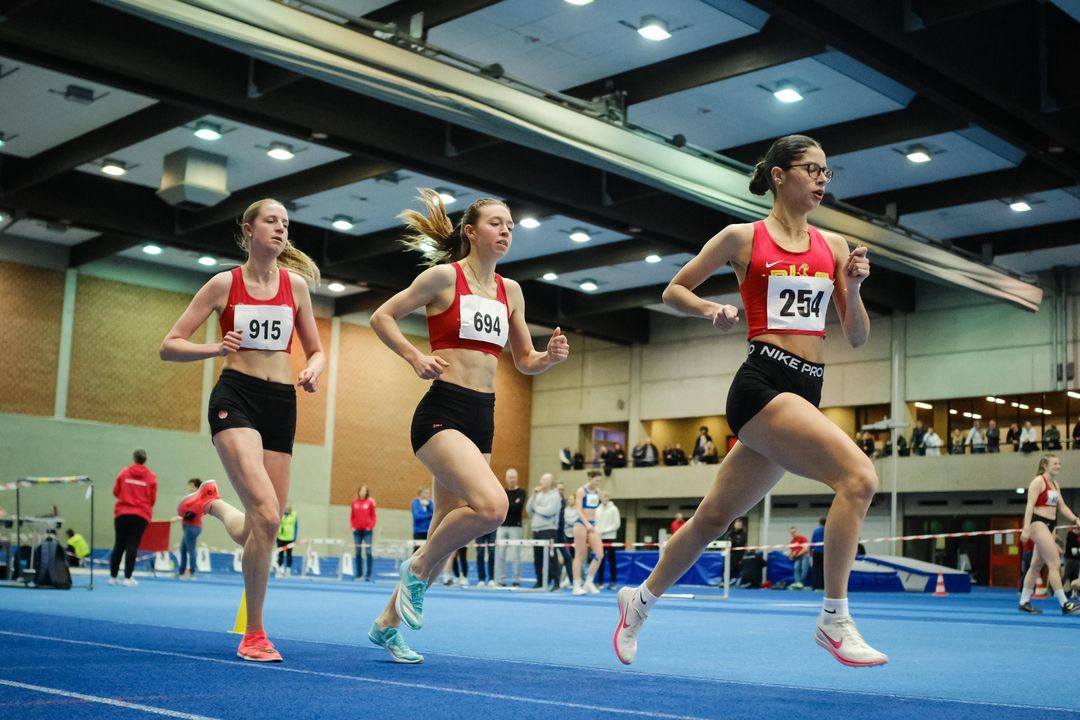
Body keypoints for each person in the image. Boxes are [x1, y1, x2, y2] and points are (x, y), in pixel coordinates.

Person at [613, 135, 887, 668]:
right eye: (812, 169)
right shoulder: (742, 237)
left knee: (713, 519)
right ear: (780, 175)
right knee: (859, 478)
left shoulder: (833, 247)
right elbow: (674, 288)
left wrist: (852, 289)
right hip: (763, 384)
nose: (823, 179)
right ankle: (834, 619)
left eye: (828, 171)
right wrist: (709, 309)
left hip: (808, 386)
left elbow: (856, 337)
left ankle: (639, 601)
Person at [365, 189, 569, 664]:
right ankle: (414, 570)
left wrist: (549, 359)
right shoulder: (443, 278)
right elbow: (382, 316)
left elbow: (525, 360)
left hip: (484, 415)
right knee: (493, 506)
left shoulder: (510, 291)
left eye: (511, 225)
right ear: (471, 232)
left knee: (445, 528)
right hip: (442, 412)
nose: (507, 231)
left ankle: (387, 626)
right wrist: (415, 356)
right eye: (497, 223)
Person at [164, 198, 325, 662]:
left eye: (286, 223)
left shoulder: (295, 287)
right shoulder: (223, 284)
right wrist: (216, 347)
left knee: (265, 524)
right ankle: (254, 633)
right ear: (248, 230)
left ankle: (211, 503)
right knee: (269, 518)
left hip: (282, 404)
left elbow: (315, 349)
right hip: (236, 397)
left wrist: (314, 368)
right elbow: (169, 345)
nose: (280, 228)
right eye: (271, 221)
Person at [1018, 454, 1080, 615]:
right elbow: (1030, 505)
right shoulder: (1038, 482)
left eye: (1059, 463)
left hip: (1050, 525)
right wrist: (1026, 528)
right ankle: (1064, 603)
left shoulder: (1055, 484)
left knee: (1035, 565)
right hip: (1038, 523)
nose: (1058, 466)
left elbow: (1062, 506)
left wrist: (1076, 518)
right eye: (1055, 463)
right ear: (1045, 465)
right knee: (1054, 563)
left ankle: (1024, 601)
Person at [109, 448, 157, 588]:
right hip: (140, 515)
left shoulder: (124, 472)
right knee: (132, 545)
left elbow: (115, 491)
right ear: (145, 460)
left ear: (134, 458)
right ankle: (128, 578)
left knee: (119, 544)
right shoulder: (151, 476)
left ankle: (113, 577)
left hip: (122, 513)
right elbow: (152, 499)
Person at [525, 472, 561, 589]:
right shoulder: (538, 495)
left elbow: (549, 512)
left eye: (544, 480)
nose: (542, 482)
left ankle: (556, 582)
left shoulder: (555, 496)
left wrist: (537, 508)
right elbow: (528, 509)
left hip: (548, 530)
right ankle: (539, 581)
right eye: (541, 480)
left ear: (550, 482)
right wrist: (533, 496)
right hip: (536, 530)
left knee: (551, 557)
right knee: (538, 557)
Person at [572, 470, 604, 595]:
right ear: (590, 478)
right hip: (581, 523)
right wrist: (587, 524)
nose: (598, 483)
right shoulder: (581, 491)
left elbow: (595, 510)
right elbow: (579, 510)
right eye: (596, 480)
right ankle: (576, 585)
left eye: (600, 481)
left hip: (592, 524)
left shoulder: (597, 492)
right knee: (580, 554)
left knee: (599, 554)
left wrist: (594, 525)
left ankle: (588, 582)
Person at [495, 468, 526, 587]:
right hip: (502, 526)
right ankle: (501, 580)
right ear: (506, 479)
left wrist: (508, 504)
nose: (512, 480)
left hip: (516, 527)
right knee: (500, 554)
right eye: (510, 477)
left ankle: (516, 580)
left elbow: (517, 507)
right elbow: (501, 506)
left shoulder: (522, 492)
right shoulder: (502, 492)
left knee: (516, 555)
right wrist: (511, 504)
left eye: (514, 477)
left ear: (516, 478)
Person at [595, 491, 622, 589]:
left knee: (612, 561)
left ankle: (613, 582)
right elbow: (595, 523)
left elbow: (616, 524)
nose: (604, 498)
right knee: (599, 560)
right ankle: (600, 582)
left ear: (609, 497)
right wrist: (598, 532)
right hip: (599, 538)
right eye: (602, 496)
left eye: (606, 496)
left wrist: (604, 531)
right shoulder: (597, 509)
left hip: (610, 538)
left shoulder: (614, 509)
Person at [177, 478, 202, 580]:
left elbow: (191, 514)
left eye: (192, 486)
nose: (189, 488)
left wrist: (181, 516)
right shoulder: (191, 499)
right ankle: (182, 571)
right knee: (183, 549)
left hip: (192, 527)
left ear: (196, 488)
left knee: (191, 550)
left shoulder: (197, 499)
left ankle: (192, 572)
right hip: (189, 527)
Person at [351, 486, 377, 581]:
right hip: (357, 531)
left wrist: (371, 525)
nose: (363, 492)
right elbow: (352, 516)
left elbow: (373, 515)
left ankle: (368, 574)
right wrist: (353, 526)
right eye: (361, 490)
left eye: (365, 491)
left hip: (367, 531)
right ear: (359, 491)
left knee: (368, 551)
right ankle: (359, 574)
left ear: (367, 492)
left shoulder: (370, 502)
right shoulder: (354, 502)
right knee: (358, 552)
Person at [277, 505, 298, 575]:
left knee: (289, 554)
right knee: (280, 554)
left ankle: (288, 570)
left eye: (288, 508)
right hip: (280, 538)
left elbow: (296, 526)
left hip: (290, 538)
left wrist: (295, 537)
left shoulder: (294, 515)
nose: (286, 509)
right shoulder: (280, 514)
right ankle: (280, 569)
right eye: (285, 508)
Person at [810, 517, 826, 591]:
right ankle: (823, 586)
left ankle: (815, 586)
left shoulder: (816, 530)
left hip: (816, 552)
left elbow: (812, 541)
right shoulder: (828, 530)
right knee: (824, 570)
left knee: (816, 570)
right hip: (825, 552)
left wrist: (810, 550)